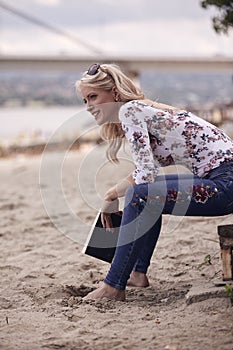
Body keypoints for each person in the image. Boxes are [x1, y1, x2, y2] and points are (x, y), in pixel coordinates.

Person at [76, 63, 233, 301]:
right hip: (219, 179)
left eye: (93, 97)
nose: (88, 106)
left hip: (226, 184)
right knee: (144, 193)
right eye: (85, 100)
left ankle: (113, 286)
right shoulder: (141, 109)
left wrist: (111, 194)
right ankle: (137, 273)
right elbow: (148, 174)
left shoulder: (130, 111)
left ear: (114, 92)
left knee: (140, 194)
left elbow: (146, 172)